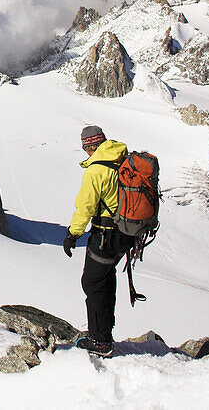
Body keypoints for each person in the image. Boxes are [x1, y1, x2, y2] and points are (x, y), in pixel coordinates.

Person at [62, 125, 134, 358]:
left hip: (106, 235)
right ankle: (103, 330)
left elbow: (86, 207)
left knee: (92, 283)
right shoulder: (121, 156)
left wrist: (73, 234)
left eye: (86, 148)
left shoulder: (96, 171)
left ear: (90, 145)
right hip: (125, 234)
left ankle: (100, 340)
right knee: (105, 279)